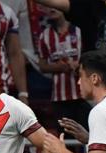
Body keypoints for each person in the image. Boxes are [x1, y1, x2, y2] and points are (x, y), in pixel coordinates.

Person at [37, 5, 90, 133]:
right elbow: (42, 66)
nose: (52, 9)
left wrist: (78, 65)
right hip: (59, 99)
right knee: (65, 139)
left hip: (81, 96)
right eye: (48, 6)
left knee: (85, 135)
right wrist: (59, 67)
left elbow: (90, 57)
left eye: (55, 5)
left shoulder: (79, 30)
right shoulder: (44, 36)